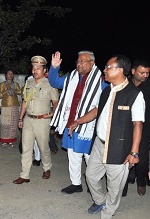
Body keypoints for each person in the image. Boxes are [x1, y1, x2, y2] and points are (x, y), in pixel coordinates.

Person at [68, 55, 145, 219]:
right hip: (99, 144)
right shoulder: (107, 90)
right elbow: (97, 110)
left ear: (120, 70)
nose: (105, 70)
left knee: (114, 187)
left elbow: (138, 124)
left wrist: (134, 152)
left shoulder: (134, 94)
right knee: (91, 176)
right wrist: (78, 121)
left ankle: (108, 213)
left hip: (119, 148)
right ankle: (100, 200)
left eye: (108, 67)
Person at [49, 51, 107, 194]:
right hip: (71, 123)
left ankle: (93, 183)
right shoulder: (72, 76)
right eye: (78, 61)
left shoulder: (101, 80)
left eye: (83, 61)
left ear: (92, 63)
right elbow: (55, 82)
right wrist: (54, 68)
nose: (79, 63)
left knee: (90, 156)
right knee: (73, 154)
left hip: (89, 126)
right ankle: (76, 183)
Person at [13, 55, 59, 184]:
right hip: (28, 119)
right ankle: (24, 175)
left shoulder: (50, 83)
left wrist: (52, 113)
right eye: (33, 67)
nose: (35, 70)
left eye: (38, 68)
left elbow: (56, 102)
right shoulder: (29, 82)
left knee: (43, 147)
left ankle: (47, 167)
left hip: (42, 120)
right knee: (26, 148)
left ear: (44, 70)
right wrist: (20, 118)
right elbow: (24, 102)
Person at [122, 59, 150, 196]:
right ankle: (127, 180)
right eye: (142, 72)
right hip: (126, 127)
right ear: (133, 71)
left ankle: (141, 182)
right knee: (125, 153)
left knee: (142, 158)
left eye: (147, 73)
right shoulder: (125, 84)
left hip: (144, 128)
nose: (145, 75)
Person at [0, 70, 21, 147]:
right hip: (6, 106)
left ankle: (11, 140)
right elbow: (0, 95)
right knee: (5, 123)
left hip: (14, 105)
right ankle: (4, 141)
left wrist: (13, 89)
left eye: (12, 74)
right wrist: (7, 89)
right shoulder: (2, 84)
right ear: (6, 75)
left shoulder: (15, 84)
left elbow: (19, 92)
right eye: (9, 74)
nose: (10, 75)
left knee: (13, 124)